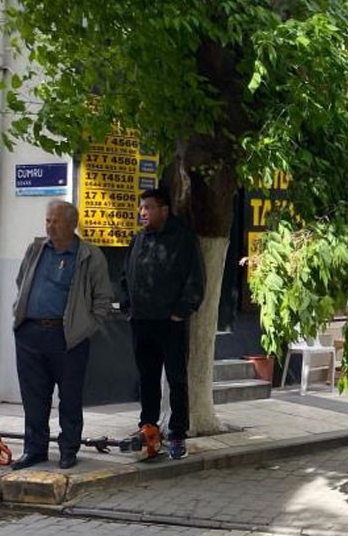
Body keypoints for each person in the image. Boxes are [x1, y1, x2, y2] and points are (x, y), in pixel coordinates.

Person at [11, 200, 114, 470]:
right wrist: (19, 315)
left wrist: (85, 327)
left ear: (72, 224)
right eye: (48, 220)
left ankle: (68, 449)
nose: (50, 226)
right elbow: (21, 282)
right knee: (33, 396)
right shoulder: (36, 249)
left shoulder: (89, 256)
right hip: (30, 333)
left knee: (69, 397)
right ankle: (34, 449)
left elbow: (102, 299)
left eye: (56, 221)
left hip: (68, 337)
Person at [121, 187, 205, 460]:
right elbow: (126, 276)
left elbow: (195, 280)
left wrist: (181, 311)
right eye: (141, 208)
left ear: (164, 210)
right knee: (147, 379)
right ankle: (149, 429)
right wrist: (128, 307)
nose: (142, 213)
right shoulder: (138, 240)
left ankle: (178, 434)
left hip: (171, 323)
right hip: (142, 321)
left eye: (148, 208)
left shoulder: (182, 238)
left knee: (176, 379)